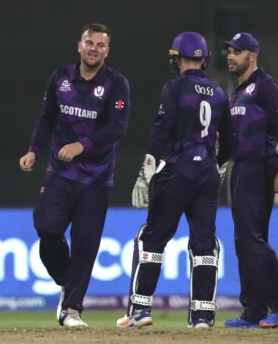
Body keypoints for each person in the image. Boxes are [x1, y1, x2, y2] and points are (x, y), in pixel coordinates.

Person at [116, 31, 232, 329]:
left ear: (178, 58)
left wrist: (145, 175)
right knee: (205, 244)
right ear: (204, 59)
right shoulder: (219, 92)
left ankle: (140, 310)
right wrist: (216, 166)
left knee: (152, 239)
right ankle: (203, 317)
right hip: (206, 172)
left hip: (178, 170)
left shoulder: (174, 88)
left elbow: (161, 132)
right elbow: (230, 140)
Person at [19, 23, 130, 328]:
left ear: (107, 51)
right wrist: (33, 150)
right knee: (47, 229)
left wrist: (82, 145)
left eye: (101, 45)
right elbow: (47, 119)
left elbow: (116, 129)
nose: (94, 48)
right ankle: (67, 283)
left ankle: (71, 309)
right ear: (79, 45)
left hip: (96, 179)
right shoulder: (61, 77)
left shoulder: (116, 84)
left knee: (86, 244)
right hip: (60, 174)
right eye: (89, 42)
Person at [222, 32, 278, 329]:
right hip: (241, 167)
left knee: (252, 238)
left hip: (260, 166)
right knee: (244, 240)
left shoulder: (265, 86)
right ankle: (254, 308)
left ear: (252, 56)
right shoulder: (238, 90)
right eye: (228, 51)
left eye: (236, 52)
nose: (230, 56)